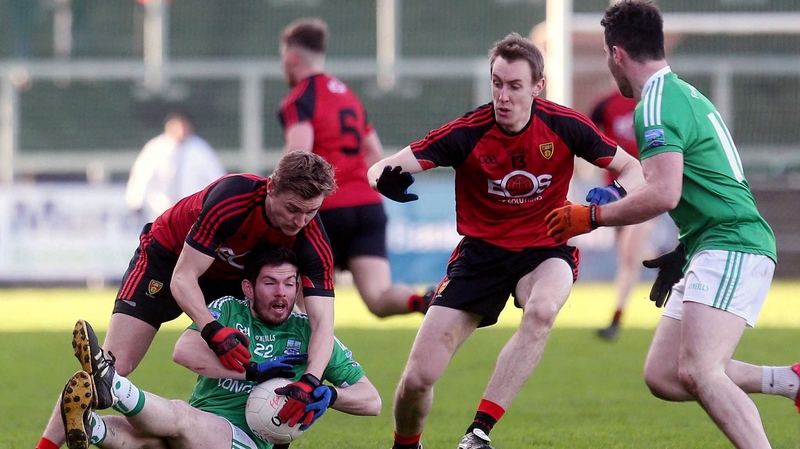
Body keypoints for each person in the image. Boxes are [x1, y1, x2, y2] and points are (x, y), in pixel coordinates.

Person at [367, 33, 645, 449]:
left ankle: (478, 433)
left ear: (537, 87)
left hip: (547, 246)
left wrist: (615, 194)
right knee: (417, 379)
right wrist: (383, 179)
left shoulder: (564, 124)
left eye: (515, 86)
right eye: (497, 83)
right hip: (480, 257)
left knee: (542, 310)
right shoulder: (468, 131)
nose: (503, 95)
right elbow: (380, 168)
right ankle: (406, 445)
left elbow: (632, 168)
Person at [545, 2, 800, 447]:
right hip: (711, 243)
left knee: (700, 370)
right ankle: (791, 381)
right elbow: (677, 181)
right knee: (664, 374)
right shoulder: (680, 92)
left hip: (732, 242)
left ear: (617, 54)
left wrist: (591, 217)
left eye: (607, 58)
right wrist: (682, 245)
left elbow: (665, 194)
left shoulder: (655, 105)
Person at [37, 151, 338, 449]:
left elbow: (322, 322)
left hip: (231, 281)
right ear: (271, 187)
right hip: (167, 259)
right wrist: (212, 329)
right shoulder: (232, 200)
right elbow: (182, 278)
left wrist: (309, 382)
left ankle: (248, 435)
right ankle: (48, 443)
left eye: (310, 211)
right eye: (292, 208)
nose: (300, 220)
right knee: (117, 362)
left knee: (273, 347)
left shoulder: (312, 238)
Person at [59, 243, 381, 449]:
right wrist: (252, 372)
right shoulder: (228, 310)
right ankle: (91, 427)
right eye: (270, 283)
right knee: (155, 440)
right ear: (249, 287)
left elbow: (372, 401)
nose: (281, 293)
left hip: (249, 442)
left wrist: (330, 395)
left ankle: (111, 383)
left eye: (288, 284)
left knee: (179, 418)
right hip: (203, 428)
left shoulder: (313, 333)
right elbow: (182, 350)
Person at [278, 18, 434, 318]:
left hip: (324, 210)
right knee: (377, 298)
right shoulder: (347, 95)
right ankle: (419, 301)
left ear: (293, 57)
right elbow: (374, 152)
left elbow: (299, 153)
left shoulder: (299, 99)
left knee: (298, 299)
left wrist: (274, 190)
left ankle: (303, 360)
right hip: (367, 205)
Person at [588, 89, 658, 340]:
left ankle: (616, 320)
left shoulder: (652, 105)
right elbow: (588, 141)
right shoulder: (604, 105)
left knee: (629, 257)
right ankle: (666, 261)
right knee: (633, 255)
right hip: (615, 194)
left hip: (646, 192)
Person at [125, 111, 226, 223]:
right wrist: (136, 201)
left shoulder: (200, 149)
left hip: (192, 210)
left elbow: (215, 175)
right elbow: (141, 175)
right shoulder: (156, 147)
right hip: (161, 209)